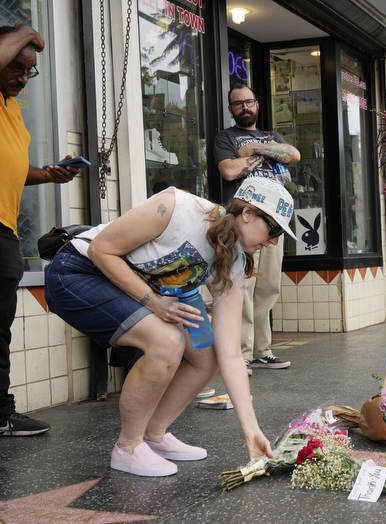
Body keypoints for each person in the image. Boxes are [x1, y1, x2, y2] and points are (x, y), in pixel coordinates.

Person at [44, 177, 298, 476]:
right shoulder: (176, 208)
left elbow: (230, 353)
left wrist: (251, 430)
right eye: (275, 229)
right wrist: (152, 301)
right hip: (76, 272)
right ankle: (128, 447)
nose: (274, 241)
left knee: (208, 354)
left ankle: (153, 436)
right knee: (166, 341)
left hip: (137, 291)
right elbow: (102, 250)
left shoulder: (234, 260)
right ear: (247, 213)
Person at [1, 23, 81, 437]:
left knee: (0, 326)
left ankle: (0, 412)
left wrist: (49, 176)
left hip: (5, 227)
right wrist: (28, 29)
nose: (22, 77)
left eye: (29, 71)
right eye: (16, 67)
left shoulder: (11, 107)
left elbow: (12, 168)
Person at [214, 83, 300, 374]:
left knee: (268, 286)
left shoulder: (271, 136)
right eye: (238, 104)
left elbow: (294, 154)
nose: (245, 108)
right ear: (231, 109)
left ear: (257, 104)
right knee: (244, 285)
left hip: (275, 221)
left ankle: (263, 350)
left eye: (249, 102)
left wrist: (255, 150)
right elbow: (228, 170)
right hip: (245, 221)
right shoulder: (225, 137)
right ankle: (242, 354)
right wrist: (267, 154)